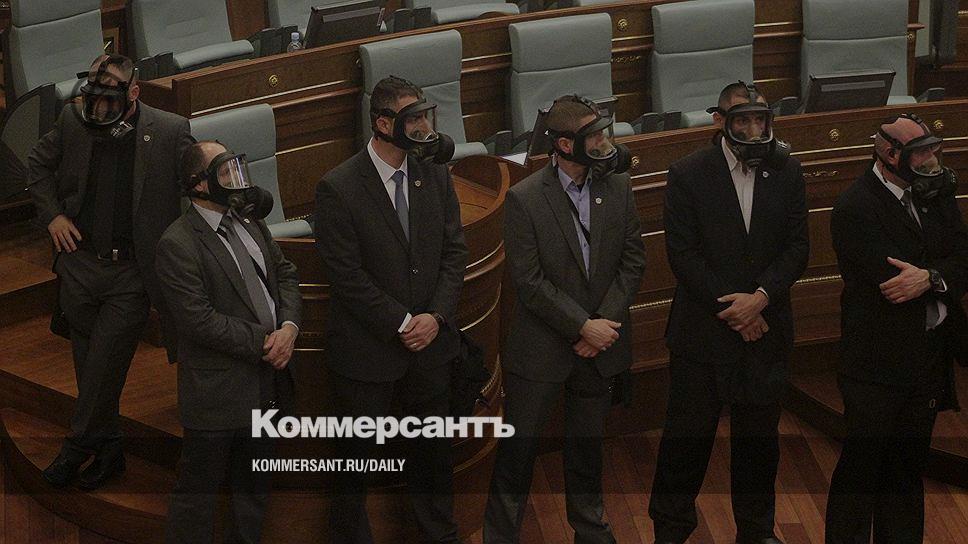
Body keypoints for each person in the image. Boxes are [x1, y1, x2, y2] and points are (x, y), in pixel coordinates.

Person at [648, 81, 808, 544]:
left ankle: (756, 533)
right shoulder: (688, 173)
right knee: (685, 445)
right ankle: (670, 532)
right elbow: (683, 255)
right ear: (720, 121)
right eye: (743, 120)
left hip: (765, 331)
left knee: (759, 447)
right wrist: (738, 309)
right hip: (704, 334)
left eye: (761, 119)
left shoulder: (788, 170)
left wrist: (760, 299)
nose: (754, 129)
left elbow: (798, 248)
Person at [484, 95, 646, 544]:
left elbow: (633, 261)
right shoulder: (524, 199)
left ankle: (591, 532)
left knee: (587, 452)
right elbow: (529, 282)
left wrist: (602, 325)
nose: (605, 142)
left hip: (600, 346)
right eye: (594, 136)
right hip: (541, 351)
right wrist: (582, 326)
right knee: (518, 455)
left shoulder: (618, 186)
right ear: (564, 144)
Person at [313, 75, 468, 544]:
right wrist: (403, 322)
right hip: (368, 354)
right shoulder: (338, 187)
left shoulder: (434, 173)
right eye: (411, 117)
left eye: (424, 114)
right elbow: (347, 277)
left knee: (433, 462)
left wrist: (435, 318)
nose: (423, 125)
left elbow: (453, 253)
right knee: (354, 466)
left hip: (430, 347)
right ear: (383, 123)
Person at [26, 54, 192, 489]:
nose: (98, 110)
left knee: (104, 364)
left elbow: (195, 193)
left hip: (131, 274)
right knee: (92, 371)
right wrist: (52, 216)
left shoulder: (170, 131)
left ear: (133, 92)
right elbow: (37, 165)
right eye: (93, 99)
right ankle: (110, 449)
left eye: (108, 101)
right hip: (79, 264)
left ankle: (76, 447)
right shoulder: (72, 119)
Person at [825, 114, 968, 543]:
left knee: (907, 470)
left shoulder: (936, 192)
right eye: (921, 152)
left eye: (932, 149)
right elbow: (893, 285)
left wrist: (931, 277)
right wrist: (933, 275)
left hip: (927, 356)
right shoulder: (855, 207)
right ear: (890, 154)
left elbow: (962, 257)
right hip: (876, 365)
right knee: (861, 472)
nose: (932, 159)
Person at [157, 140, 301, 543]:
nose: (238, 180)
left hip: (268, 385)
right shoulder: (177, 243)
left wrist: (290, 328)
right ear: (199, 184)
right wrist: (266, 341)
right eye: (226, 172)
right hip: (217, 395)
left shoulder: (249, 219)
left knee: (253, 495)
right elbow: (198, 320)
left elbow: (285, 273)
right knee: (197, 501)